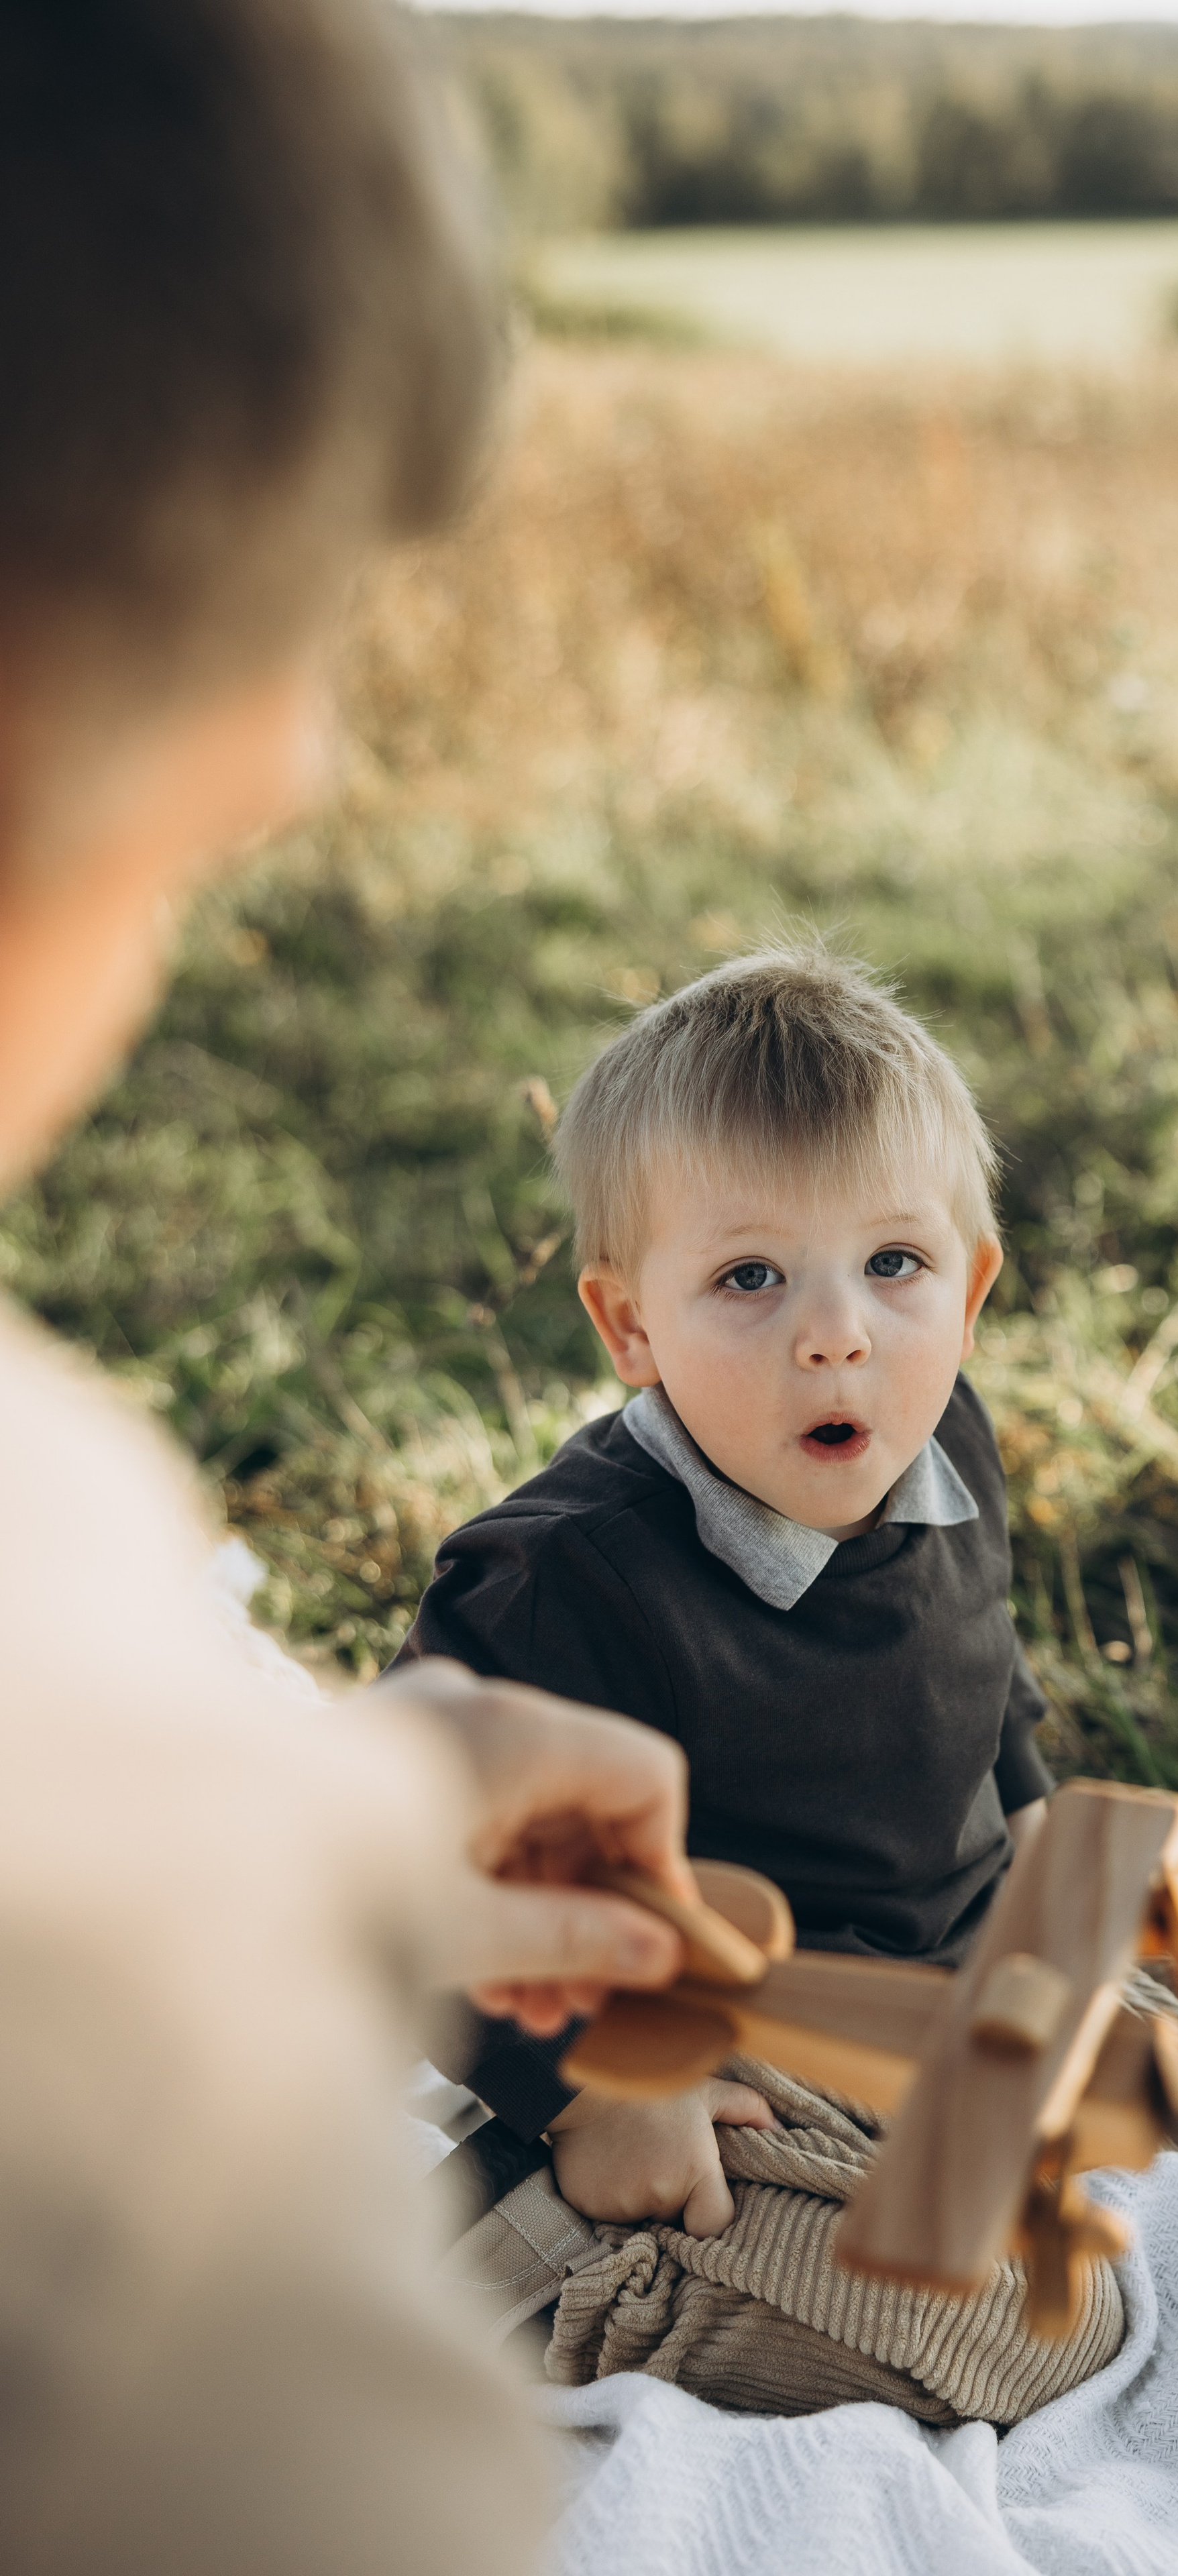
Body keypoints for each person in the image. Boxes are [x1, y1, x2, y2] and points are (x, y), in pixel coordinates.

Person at [0, 4, 698, 2569]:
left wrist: (359, 1815)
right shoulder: (128, 2055)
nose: (298, 753)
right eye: (287, 639)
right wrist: (206, 1891)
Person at [397, 945, 1060, 2239]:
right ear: (631, 1326)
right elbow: (402, 1859)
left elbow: (980, 1664)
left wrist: (1038, 1840)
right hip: (736, 2042)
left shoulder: (943, 1435)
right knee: (923, 2300)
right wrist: (590, 2094)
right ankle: (530, 2247)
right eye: (751, 1277)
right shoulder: (566, 1581)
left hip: (959, 1972)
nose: (839, 1334)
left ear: (971, 1291)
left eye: (894, 1263)